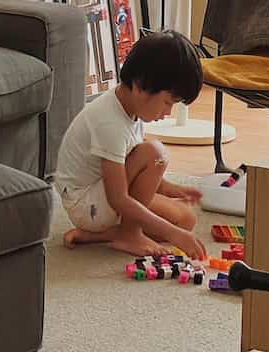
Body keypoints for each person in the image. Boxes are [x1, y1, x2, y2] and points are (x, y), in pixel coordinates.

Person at [55, 30, 207, 259]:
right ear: (139, 86)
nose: (167, 113)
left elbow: (132, 168)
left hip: (105, 194)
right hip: (87, 204)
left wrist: (171, 190)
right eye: (167, 102)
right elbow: (118, 197)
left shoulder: (132, 107)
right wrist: (172, 235)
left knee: (185, 220)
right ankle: (129, 234)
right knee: (155, 154)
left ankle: (105, 235)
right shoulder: (109, 122)